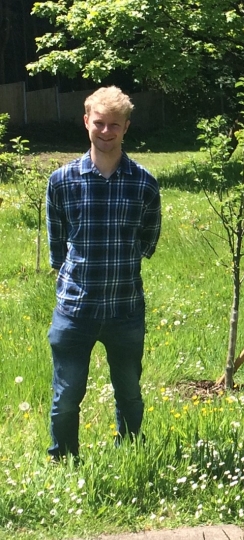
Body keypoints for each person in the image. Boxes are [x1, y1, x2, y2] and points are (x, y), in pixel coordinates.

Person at [46, 86, 161, 462]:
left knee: (129, 393)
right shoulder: (62, 181)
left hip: (125, 310)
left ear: (126, 127)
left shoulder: (144, 183)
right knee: (66, 398)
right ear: (86, 122)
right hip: (74, 310)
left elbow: (147, 239)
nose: (106, 131)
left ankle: (128, 455)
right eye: (99, 123)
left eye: (114, 125)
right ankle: (63, 460)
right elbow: (57, 244)